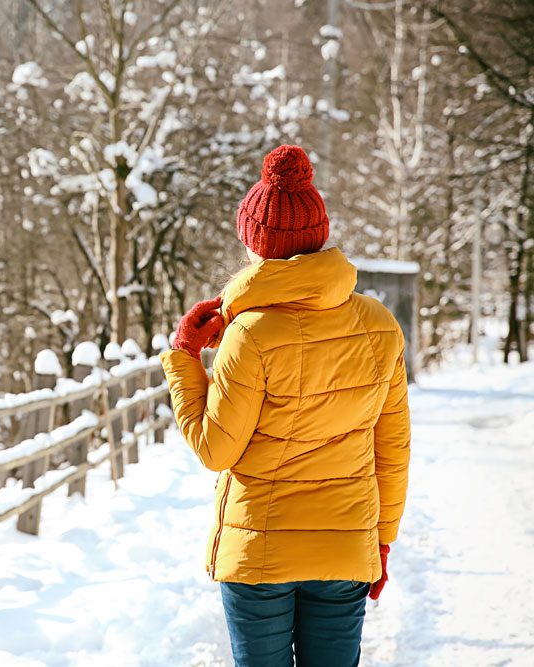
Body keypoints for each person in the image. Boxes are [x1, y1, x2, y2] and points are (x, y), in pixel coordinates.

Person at [160, 145, 411, 667]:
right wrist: (381, 542)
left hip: (259, 555)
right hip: (345, 551)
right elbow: (392, 451)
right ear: (320, 239)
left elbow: (215, 449)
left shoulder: (248, 334)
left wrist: (185, 358)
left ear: (254, 245)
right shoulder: (379, 325)